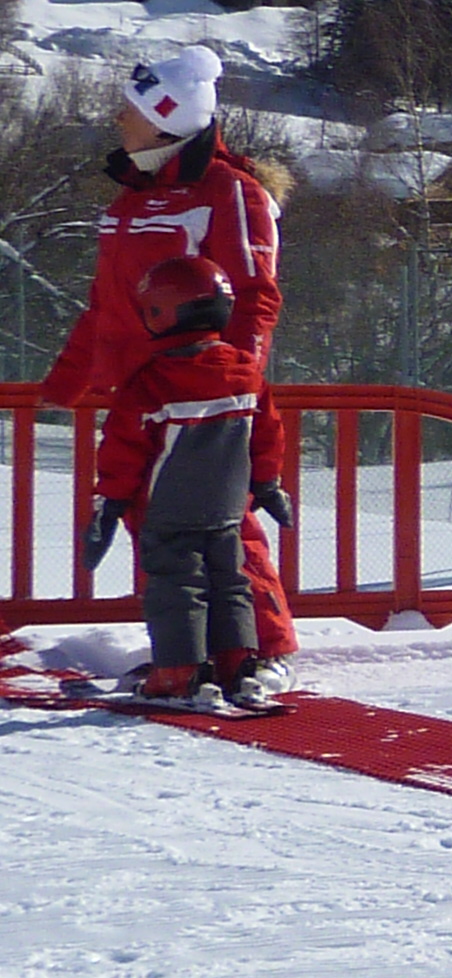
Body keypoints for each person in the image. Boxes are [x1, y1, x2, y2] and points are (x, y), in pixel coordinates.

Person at [47, 48, 300, 697]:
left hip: (208, 396)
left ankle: (259, 649)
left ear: (164, 116)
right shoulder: (129, 203)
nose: (118, 119)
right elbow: (106, 308)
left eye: (131, 109)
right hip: (144, 398)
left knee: (224, 523)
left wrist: (231, 382)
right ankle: (186, 656)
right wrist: (64, 384)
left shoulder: (230, 192)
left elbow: (255, 295)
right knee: (158, 533)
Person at [80, 256, 263, 708]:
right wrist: (270, 482)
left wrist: (111, 503)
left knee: (176, 585)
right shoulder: (245, 370)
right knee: (230, 581)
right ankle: (237, 665)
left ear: (163, 312)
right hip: (226, 507)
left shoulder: (152, 382)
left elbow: (124, 449)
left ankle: (179, 672)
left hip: (167, 510)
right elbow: (268, 432)